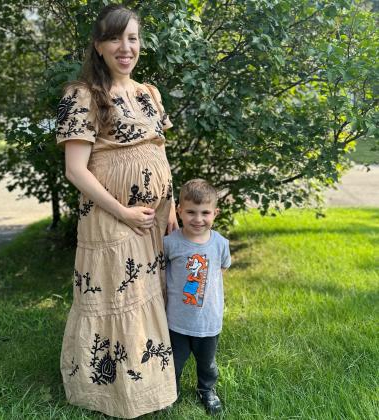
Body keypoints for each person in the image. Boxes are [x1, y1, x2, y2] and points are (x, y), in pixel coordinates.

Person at [55, 4, 178, 418]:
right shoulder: (82, 95)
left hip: (154, 218)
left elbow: (161, 152)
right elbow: (75, 170)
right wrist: (123, 212)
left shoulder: (149, 93)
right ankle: (110, 391)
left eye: (133, 38)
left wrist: (172, 205)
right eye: (115, 38)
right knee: (116, 296)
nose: (126, 48)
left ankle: (150, 382)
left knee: (146, 294)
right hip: (110, 218)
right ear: (99, 45)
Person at [163, 179, 231, 415]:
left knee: (207, 364)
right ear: (179, 210)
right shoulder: (170, 243)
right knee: (174, 362)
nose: (198, 219)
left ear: (215, 213)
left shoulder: (220, 244)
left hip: (208, 321)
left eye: (205, 213)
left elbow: (220, 270)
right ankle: (170, 391)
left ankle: (206, 390)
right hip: (176, 321)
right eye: (191, 212)